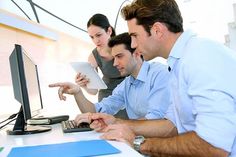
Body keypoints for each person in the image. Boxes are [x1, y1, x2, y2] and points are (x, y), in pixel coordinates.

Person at [86, 0, 236, 157]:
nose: (133, 44)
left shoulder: (199, 57)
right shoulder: (179, 62)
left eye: (135, 36)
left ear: (157, 30)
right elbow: (171, 126)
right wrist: (117, 122)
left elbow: (213, 147)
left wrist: (138, 143)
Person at [49, 32, 170, 121]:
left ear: (137, 54)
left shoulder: (159, 74)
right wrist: (77, 92)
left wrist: (114, 123)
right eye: (114, 58)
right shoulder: (127, 84)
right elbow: (97, 110)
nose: (115, 63)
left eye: (119, 56)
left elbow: (155, 119)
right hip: (138, 143)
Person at [75, 13, 126, 118]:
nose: (96, 41)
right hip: (107, 96)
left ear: (109, 31)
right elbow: (93, 91)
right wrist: (83, 85)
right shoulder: (93, 57)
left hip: (128, 93)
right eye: (92, 37)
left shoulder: (125, 46)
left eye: (98, 35)